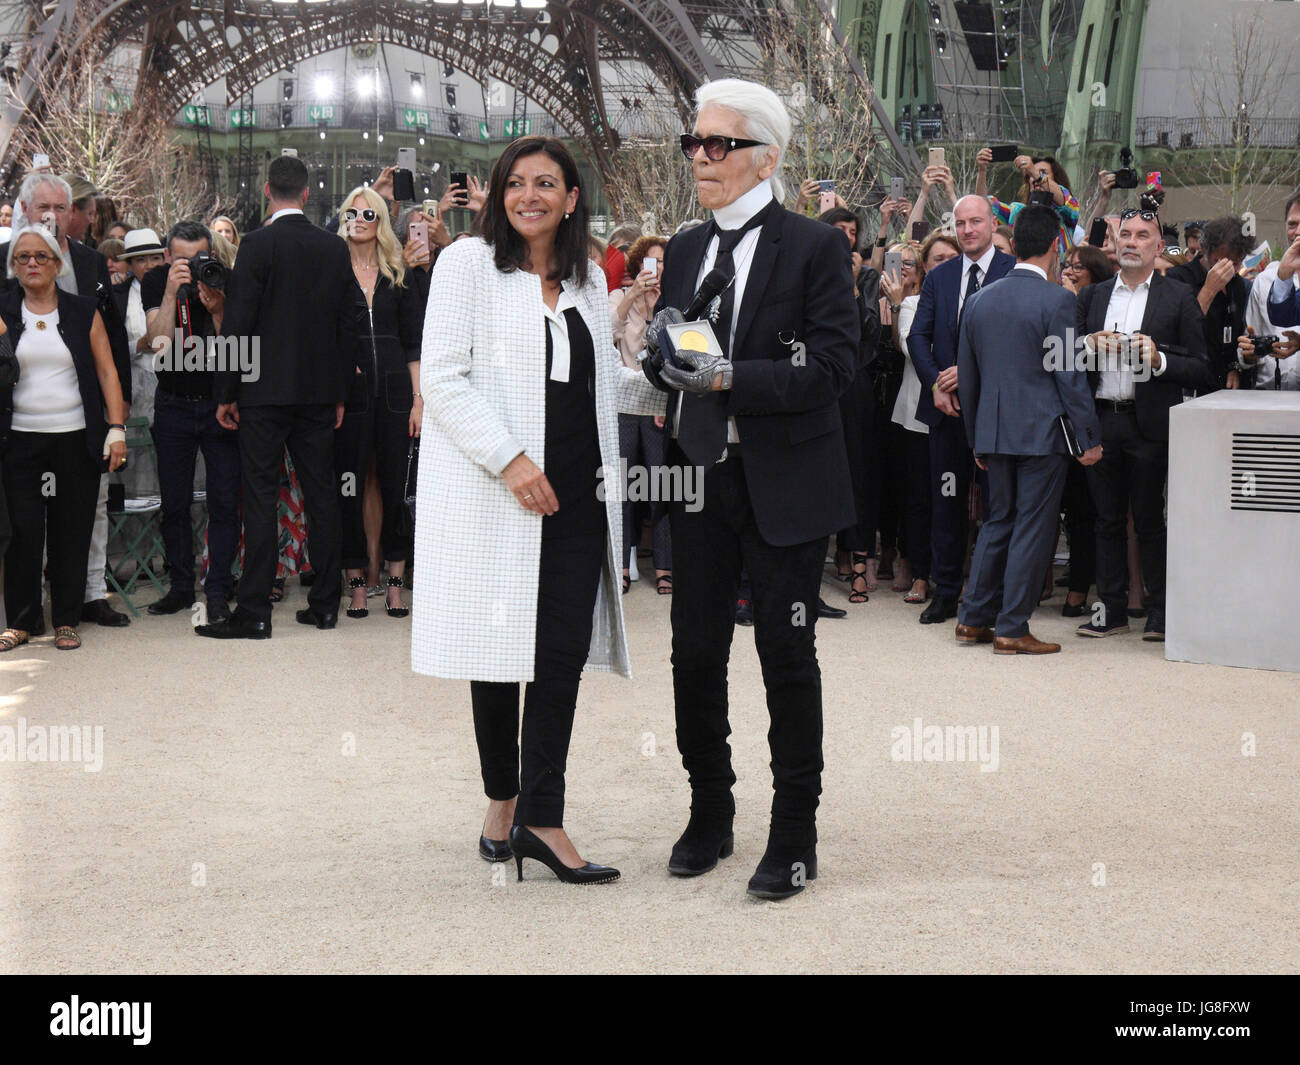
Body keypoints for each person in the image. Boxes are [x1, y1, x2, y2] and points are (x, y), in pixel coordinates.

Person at [413, 135, 661, 886]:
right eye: (515, 183)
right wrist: (512, 460)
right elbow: (447, 381)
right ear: (497, 193)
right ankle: (502, 799)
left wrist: (676, 385)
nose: (529, 196)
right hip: (500, 492)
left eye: (546, 183)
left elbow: (602, 387)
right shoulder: (465, 265)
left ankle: (541, 818)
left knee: (556, 656)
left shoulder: (587, 279)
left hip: (580, 495)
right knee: (496, 658)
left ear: (572, 197)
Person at [645, 79, 858, 900]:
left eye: (717, 144)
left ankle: (794, 833)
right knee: (693, 652)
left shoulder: (814, 246)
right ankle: (711, 810)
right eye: (693, 143)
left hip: (787, 482)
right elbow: (678, 355)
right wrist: (658, 369)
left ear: (765, 156)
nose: (700, 156)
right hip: (698, 474)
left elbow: (834, 366)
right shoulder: (687, 245)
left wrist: (734, 375)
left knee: (785, 655)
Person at [196, 155, 359, 639]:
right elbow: (348, 320)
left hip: (262, 393)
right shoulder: (333, 248)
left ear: (269, 192)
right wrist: (338, 391)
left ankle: (255, 613)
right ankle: (326, 605)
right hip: (316, 394)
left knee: (261, 499)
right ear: (306, 194)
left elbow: (239, 320)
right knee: (322, 497)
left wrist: (226, 391)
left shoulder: (257, 245)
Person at [954, 204, 1103, 654]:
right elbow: (1069, 375)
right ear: (1056, 246)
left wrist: (975, 438)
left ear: (1013, 245)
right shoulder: (1059, 300)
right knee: (1033, 528)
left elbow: (968, 375)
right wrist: (1089, 437)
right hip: (1043, 433)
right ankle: (1012, 626)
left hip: (994, 432)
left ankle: (973, 619)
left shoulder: (979, 299)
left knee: (998, 522)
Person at [0, 171, 134, 628]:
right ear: (24, 211)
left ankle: (86, 601)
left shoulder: (91, 262)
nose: (54, 216)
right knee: (24, 526)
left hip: (81, 421)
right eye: (44, 208)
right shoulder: (5, 264)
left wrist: (119, 416)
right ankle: (27, 613)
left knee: (83, 516)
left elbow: (111, 347)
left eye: (62, 208)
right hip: (19, 428)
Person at [1075, 207, 1212, 642]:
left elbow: (1202, 367)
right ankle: (1111, 609)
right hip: (1102, 420)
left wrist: (1160, 359)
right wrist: (1085, 345)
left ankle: (1159, 611)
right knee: (1106, 520)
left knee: (1151, 522)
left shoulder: (1178, 297)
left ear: (1158, 246)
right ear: (1116, 245)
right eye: (1126, 235)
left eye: (1142, 235)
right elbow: (1060, 360)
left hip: (1148, 425)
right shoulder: (1093, 297)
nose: (1131, 241)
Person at [907, 194, 1016, 624]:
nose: (968, 230)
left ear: (992, 225)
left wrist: (968, 378)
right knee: (946, 503)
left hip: (996, 412)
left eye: (976, 222)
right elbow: (918, 337)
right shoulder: (941, 276)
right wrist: (936, 381)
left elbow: (1015, 344)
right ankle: (946, 590)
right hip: (945, 410)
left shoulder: (1014, 273)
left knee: (996, 507)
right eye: (961, 223)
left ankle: (990, 597)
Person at [138, 221, 240, 622]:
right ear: (167, 256)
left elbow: (232, 351)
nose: (193, 265)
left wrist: (216, 309)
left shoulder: (223, 280)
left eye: (200, 258)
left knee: (224, 503)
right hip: (174, 404)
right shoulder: (155, 282)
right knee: (175, 503)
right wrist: (170, 292)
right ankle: (181, 586)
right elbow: (159, 344)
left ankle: (218, 587)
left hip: (219, 403)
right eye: (182, 259)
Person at [334, 186, 424, 620]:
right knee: (349, 488)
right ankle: (354, 586)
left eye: (368, 213)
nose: (358, 219)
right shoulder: (331, 269)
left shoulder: (397, 270)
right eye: (351, 212)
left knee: (394, 488)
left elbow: (413, 343)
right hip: (348, 394)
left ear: (381, 222)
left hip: (395, 391)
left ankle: (394, 584)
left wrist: (419, 400)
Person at [889, 232, 959, 605]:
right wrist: (942, 377)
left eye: (952, 258)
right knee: (918, 498)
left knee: (955, 497)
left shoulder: (972, 299)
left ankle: (954, 574)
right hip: (917, 414)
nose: (944, 265)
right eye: (937, 259)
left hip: (961, 411)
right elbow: (909, 346)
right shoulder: (913, 303)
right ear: (926, 267)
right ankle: (920, 573)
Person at [610, 232, 673, 595]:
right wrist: (635, 295)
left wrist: (655, 307)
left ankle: (664, 566)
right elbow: (606, 332)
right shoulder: (620, 297)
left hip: (658, 405)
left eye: (663, 262)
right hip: (622, 403)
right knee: (619, 489)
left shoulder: (672, 302)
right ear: (637, 266)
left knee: (661, 488)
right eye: (652, 262)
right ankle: (619, 563)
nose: (658, 269)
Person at [1166, 216, 1252, 391]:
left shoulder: (1238, 285)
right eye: (1219, 262)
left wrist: (1235, 367)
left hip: (1225, 387)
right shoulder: (1178, 278)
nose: (1228, 270)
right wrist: (1209, 290)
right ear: (1205, 251)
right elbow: (1178, 333)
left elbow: (1234, 336)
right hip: (1191, 386)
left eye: (1235, 263)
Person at [1238, 192, 1300, 390]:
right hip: (1268, 398)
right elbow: (1249, 343)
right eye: (1292, 224)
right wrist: (1248, 354)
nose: (1298, 232)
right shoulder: (1265, 280)